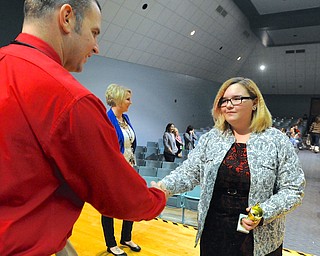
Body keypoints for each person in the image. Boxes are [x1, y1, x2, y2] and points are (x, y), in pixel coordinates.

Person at [0, 1, 166, 255]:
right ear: (66, 18)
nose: (96, 47)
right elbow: (119, 196)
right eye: (94, 32)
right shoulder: (69, 100)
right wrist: (159, 195)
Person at [157, 77, 305, 256]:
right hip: (215, 231)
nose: (228, 105)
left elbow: (293, 189)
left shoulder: (277, 141)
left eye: (236, 99)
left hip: (257, 236)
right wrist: (163, 188)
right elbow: (189, 172)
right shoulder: (212, 138)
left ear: (255, 103)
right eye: (224, 100)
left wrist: (262, 212)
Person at [102, 84, 141, 256]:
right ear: (117, 99)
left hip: (129, 167)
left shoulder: (125, 119)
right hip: (114, 170)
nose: (130, 103)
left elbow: (130, 143)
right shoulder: (106, 119)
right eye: (127, 99)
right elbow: (105, 148)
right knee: (110, 206)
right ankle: (111, 243)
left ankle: (126, 237)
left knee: (132, 202)